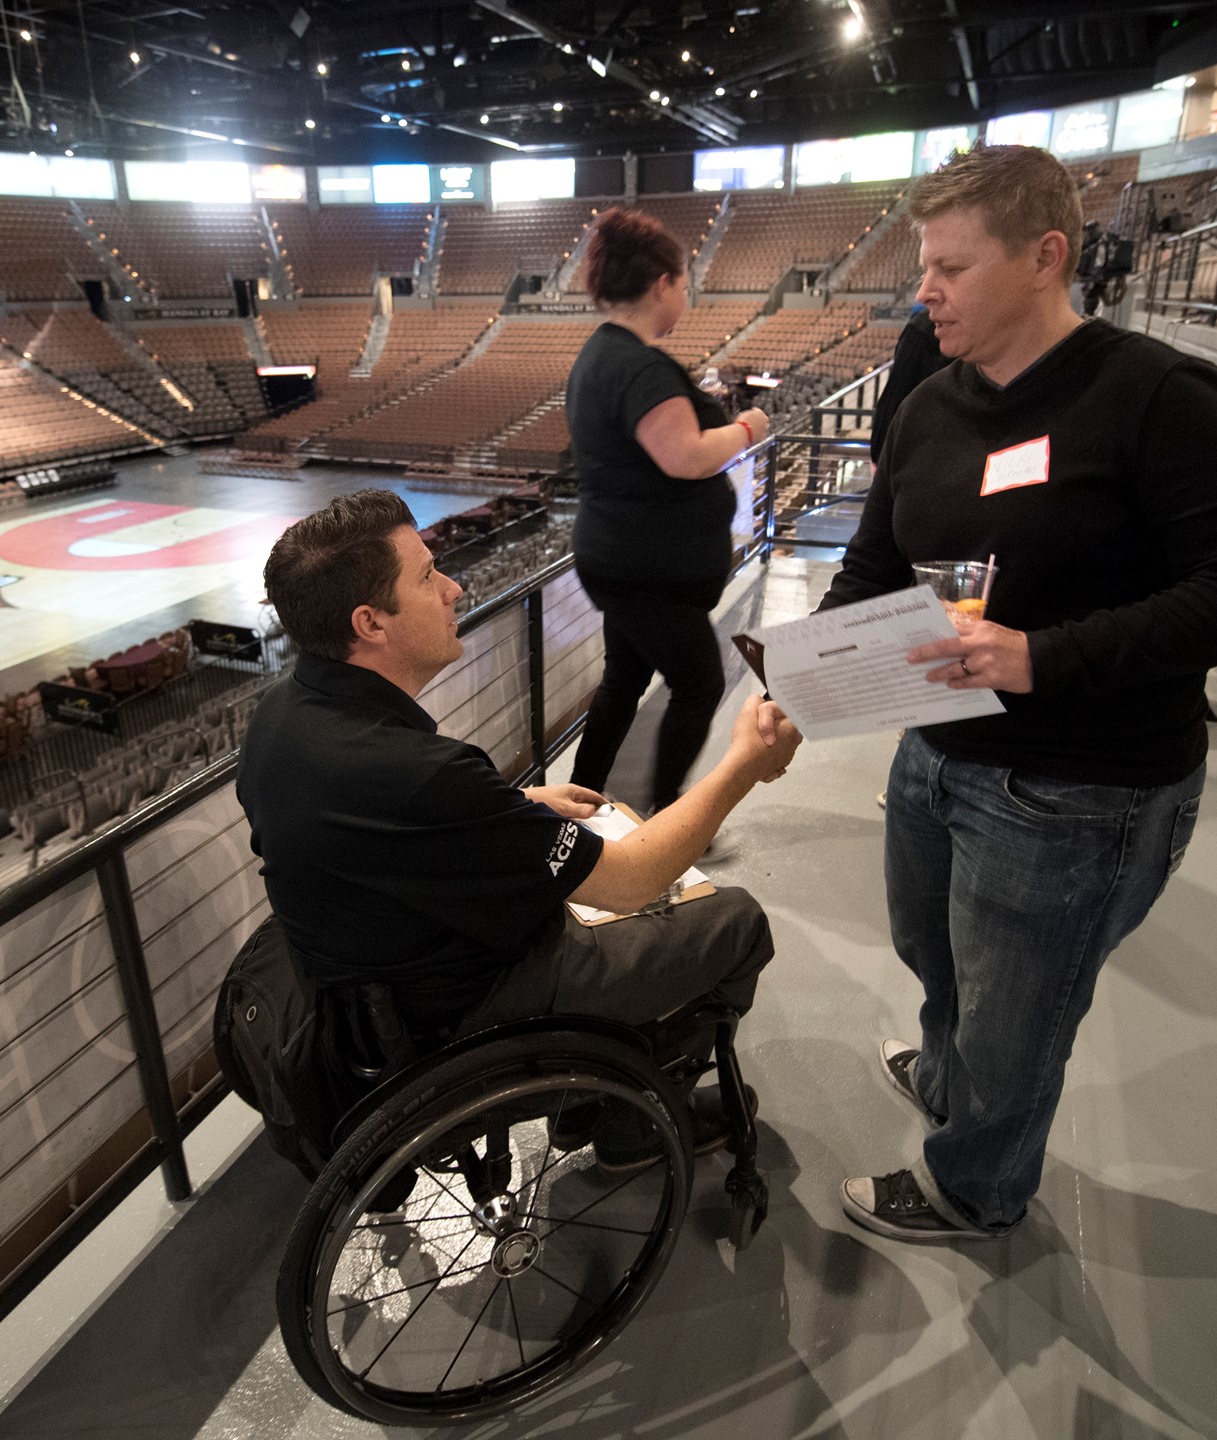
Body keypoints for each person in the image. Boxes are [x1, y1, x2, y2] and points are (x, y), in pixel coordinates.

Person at [804, 145, 1217, 1242]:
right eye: (922, 265)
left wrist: (1044, 657)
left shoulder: (1160, 397)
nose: (923, 289)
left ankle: (973, 1185)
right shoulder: (931, 403)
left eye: (949, 267)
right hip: (936, 755)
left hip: (1080, 787)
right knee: (932, 955)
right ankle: (947, 1074)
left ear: (1045, 257)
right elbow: (876, 566)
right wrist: (815, 663)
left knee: (1016, 1022)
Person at [237, 489, 803, 1168]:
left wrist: (514, 804)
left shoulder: (280, 718)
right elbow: (632, 881)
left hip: (363, 1001)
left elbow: (360, 829)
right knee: (735, 921)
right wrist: (744, 762)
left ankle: (588, 1103)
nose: (453, 587)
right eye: (425, 578)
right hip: (457, 1013)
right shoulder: (419, 774)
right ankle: (632, 1118)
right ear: (371, 623)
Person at [564, 207, 771, 817]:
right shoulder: (639, 364)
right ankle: (670, 814)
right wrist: (745, 427)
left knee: (623, 681)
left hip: (620, 559)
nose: (685, 295)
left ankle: (573, 803)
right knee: (700, 682)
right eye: (684, 284)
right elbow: (685, 456)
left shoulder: (603, 355)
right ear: (661, 284)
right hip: (644, 570)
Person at [867, 304, 946, 465]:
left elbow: (895, 398)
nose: (923, 294)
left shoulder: (922, 331)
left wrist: (879, 457)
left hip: (918, 462)